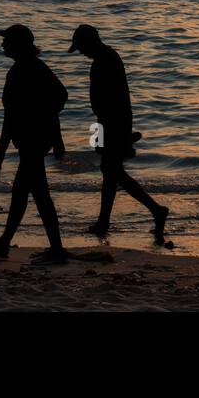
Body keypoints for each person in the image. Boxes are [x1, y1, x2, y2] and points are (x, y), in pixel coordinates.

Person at [68, 24, 168, 241]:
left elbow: (111, 101)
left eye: (81, 47)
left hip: (113, 123)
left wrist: (112, 132)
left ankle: (155, 210)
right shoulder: (107, 58)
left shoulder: (105, 61)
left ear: (89, 43)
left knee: (112, 171)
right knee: (111, 172)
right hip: (111, 122)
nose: (81, 53)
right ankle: (110, 219)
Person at [0, 24, 69, 264]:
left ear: (16, 45)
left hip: (31, 141)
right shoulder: (38, 67)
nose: (2, 44)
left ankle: (56, 250)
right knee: (24, 192)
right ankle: (5, 242)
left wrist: (0, 154)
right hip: (39, 139)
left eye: (6, 41)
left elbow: (10, 117)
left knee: (37, 195)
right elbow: (58, 98)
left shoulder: (19, 72)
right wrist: (56, 136)